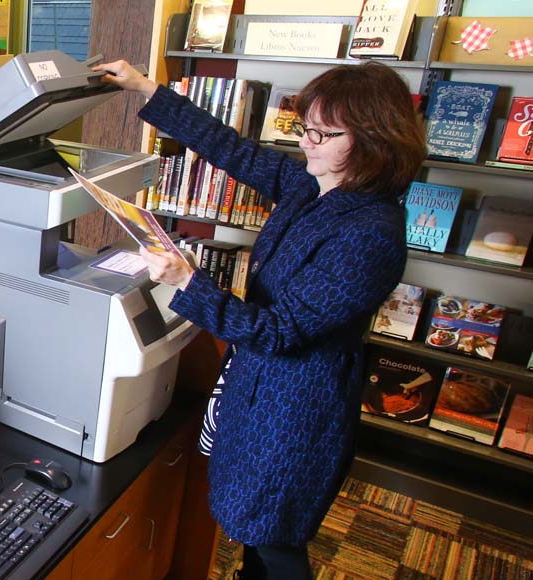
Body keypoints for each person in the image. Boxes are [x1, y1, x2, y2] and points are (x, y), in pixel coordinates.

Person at [93, 60, 425, 579]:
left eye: (323, 132)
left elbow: (279, 331)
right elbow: (234, 150)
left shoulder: (370, 233)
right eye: (305, 127)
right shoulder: (319, 185)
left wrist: (187, 282)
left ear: (373, 141)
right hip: (261, 385)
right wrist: (145, 87)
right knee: (253, 526)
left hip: (297, 403)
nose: (307, 142)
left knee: (273, 532)